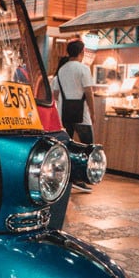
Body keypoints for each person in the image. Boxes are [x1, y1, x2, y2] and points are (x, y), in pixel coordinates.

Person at [52, 39, 95, 189]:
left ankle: (67, 177)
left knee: (67, 145)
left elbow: (55, 94)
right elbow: (89, 92)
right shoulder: (83, 69)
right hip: (82, 114)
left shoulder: (61, 70)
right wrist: (93, 112)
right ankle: (80, 178)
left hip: (64, 113)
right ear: (82, 52)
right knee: (87, 145)